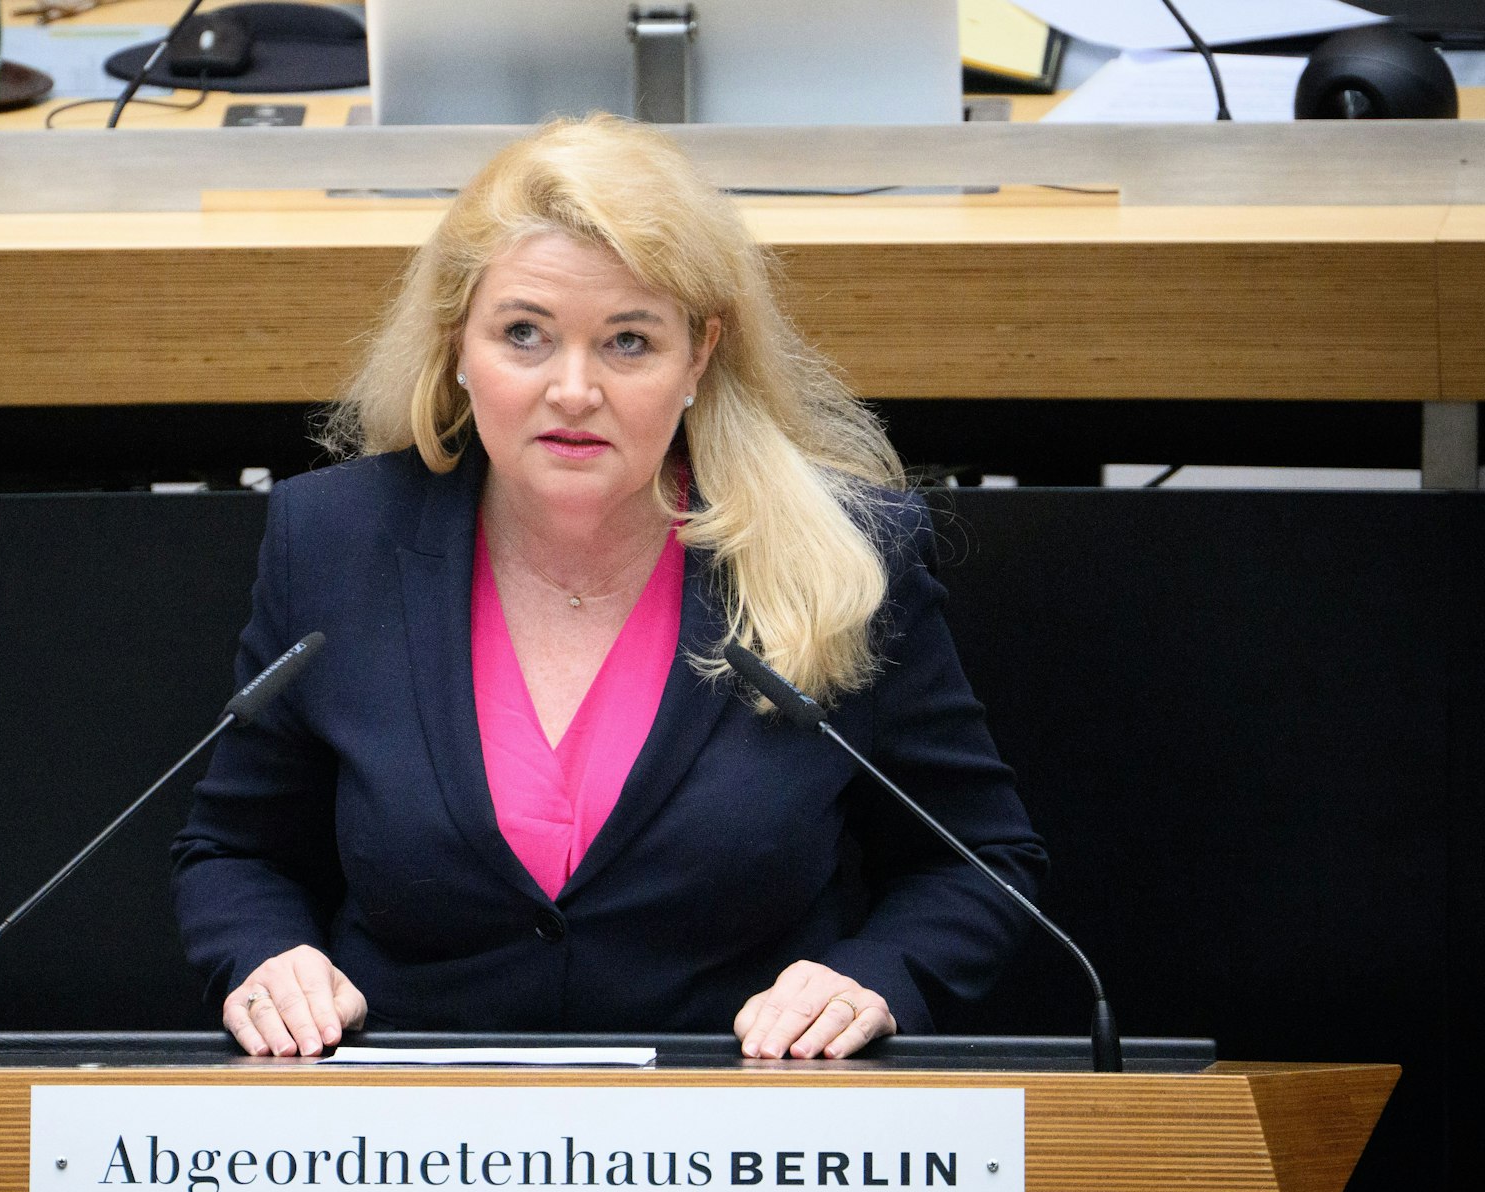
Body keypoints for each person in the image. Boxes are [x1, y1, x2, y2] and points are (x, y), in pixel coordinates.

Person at [172, 114, 1045, 1062]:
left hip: (737, 1139)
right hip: (409, 1144)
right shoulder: (334, 544)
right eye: (524, 335)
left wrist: (878, 973)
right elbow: (235, 852)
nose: (574, 388)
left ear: (698, 356)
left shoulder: (839, 555)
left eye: (628, 341)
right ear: (459, 347)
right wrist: (267, 957)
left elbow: (977, 861)